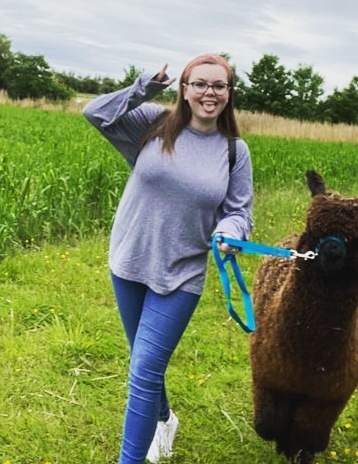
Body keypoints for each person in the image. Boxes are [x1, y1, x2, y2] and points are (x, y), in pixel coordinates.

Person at [82, 53, 253, 463]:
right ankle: (164, 419)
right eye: (200, 84)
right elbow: (94, 112)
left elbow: (239, 211)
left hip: (181, 274)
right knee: (143, 359)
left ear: (229, 93)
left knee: (143, 370)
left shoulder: (234, 151)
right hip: (129, 259)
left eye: (219, 86)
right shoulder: (153, 123)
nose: (210, 93)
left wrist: (231, 231)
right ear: (184, 88)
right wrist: (145, 87)